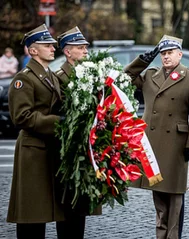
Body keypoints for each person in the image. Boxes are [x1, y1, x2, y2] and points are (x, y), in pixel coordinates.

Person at [124, 35, 189, 239]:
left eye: (170, 53)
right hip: (152, 143)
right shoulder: (151, 75)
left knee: (174, 194)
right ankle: (161, 234)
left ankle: (173, 235)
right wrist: (142, 60)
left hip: (177, 143)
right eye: (163, 53)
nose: (166, 57)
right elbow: (125, 77)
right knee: (158, 192)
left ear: (180, 54)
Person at [6, 24, 65, 239]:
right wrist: (58, 122)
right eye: (47, 45)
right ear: (32, 50)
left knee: (41, 211)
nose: (52, 48)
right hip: (32, 151)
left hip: (47, 149)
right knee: (31, 214)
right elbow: (22, 117)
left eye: (52, 45)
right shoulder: (25, 78)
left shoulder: (49, 75)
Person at [55, 26, 101, 239]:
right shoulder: (59, 77)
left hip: (87, 151)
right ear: (67, 51)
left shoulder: (91, 74)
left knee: (81, 209)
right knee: (67, 209)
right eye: (80, 47)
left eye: (85, 47)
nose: (85, 51)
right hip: (69, 154)